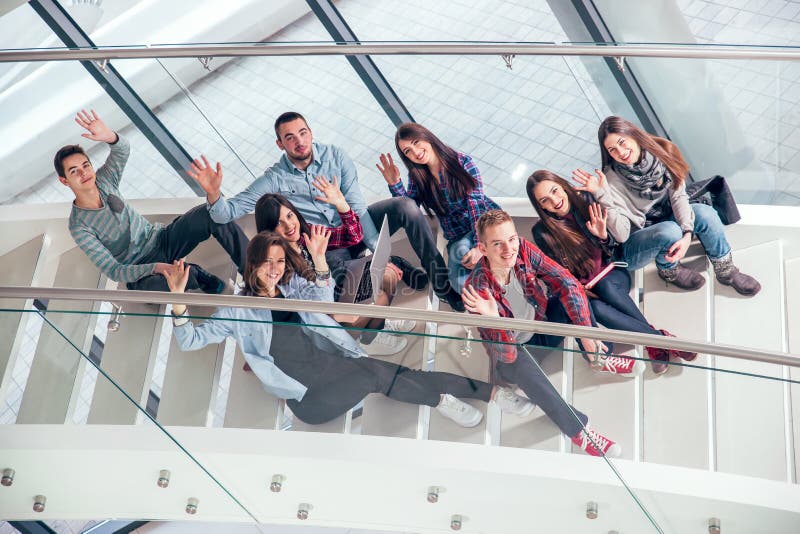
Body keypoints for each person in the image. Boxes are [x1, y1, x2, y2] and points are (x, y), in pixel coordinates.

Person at [166, 232, 535, 427]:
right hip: (310, 398)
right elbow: (189, 339)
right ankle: (445, 400)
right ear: (253, 264)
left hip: (339, 367)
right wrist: (179, 301)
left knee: (396, 373)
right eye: (268, 263)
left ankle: (488, 395)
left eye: (280, 261)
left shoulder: (292, 290)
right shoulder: (239, 308)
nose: (275, 269)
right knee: (377, 374)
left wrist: (321, 261)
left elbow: (325, 297)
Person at [186, 111, 465, 311]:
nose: (299, 141)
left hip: (353, 223)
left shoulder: (336, 157)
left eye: (303, 133)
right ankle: (383, 279)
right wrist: (212, 193)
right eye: (290, 138)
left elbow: (356, 208)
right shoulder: (275, 178)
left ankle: (441, 285)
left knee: (406, 207)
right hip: (324, 245)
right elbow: (226, 212)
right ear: (280, 144)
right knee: (338, 282)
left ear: (311, 132)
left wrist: (374, 249)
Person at [461, 210, 638, 457]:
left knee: (573, 295)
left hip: (540, 324)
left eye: (511, 239)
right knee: (523, 370)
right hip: (516, 352)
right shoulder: (475, 289)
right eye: (497, 244)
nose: (508, 249)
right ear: (483, 248)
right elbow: (507, 355)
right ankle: (578, 431)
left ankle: (597, 356)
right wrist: (493, 320)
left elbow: (566, 283)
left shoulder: (522, 248)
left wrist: (586, 336)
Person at [55, 110, 248, 292]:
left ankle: (254, 272)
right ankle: (198, 276)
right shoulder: (79, 225)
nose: (83, 173)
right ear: (64, 181)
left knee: (211, 213)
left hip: (161, 239)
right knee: (177, 278)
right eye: (74, 171)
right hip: (140, 270)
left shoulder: (104, 180)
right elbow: (113, 270)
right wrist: (155, 267)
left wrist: (109, 136)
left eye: (85, 165)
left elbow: (122, 150)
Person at [527, 170, 697, 374]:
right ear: (541, 206)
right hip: (586, 289)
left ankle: (654, 343)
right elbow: (558, 273)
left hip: (612, 273)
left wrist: (602, 236)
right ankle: (659, 340)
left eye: (555, 190)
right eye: (545, 200)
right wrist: (579, 287)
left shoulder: (587, 200)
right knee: (594, 308)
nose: (555, 200)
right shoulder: (542, 232)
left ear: (562, 186)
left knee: (606, 286)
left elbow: (617, 243)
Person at [573, 116, 760, 296]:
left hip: (666, 219)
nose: (621, 152)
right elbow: (621, 235)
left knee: (704, 212)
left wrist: (687, 234)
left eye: (622, 142)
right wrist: (602, 194)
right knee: (669, 230)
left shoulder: (662, 153)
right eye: (612, 150)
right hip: (637, 240)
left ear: (634, 135)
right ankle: (668, 269)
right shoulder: (611, 181)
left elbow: (679, 196)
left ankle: (726, 270)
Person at [254, 187, 416, 356]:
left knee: (387, 274)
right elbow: (316, 311)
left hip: (336, 298)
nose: (289, 225)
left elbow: (353, 237)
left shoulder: (305, 236)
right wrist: (319, 260)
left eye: (289, 216)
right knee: (379, 297)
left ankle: (375, 328)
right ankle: (369, 339)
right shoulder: (279, 265)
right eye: (279, 223)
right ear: (269, 231)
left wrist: (342, 206)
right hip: (327, 325)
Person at [376, 123, 500, 291]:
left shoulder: (462, 162)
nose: (415, 152)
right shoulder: (417, 177)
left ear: (427, 136)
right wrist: (395, 184)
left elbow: (475, 207)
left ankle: (493, 302)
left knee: (470, 264)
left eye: (416, 142)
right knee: (460, 284)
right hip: (458, 236)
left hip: (485, 225)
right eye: (407, 151)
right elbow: (409, 208)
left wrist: (479, 246)